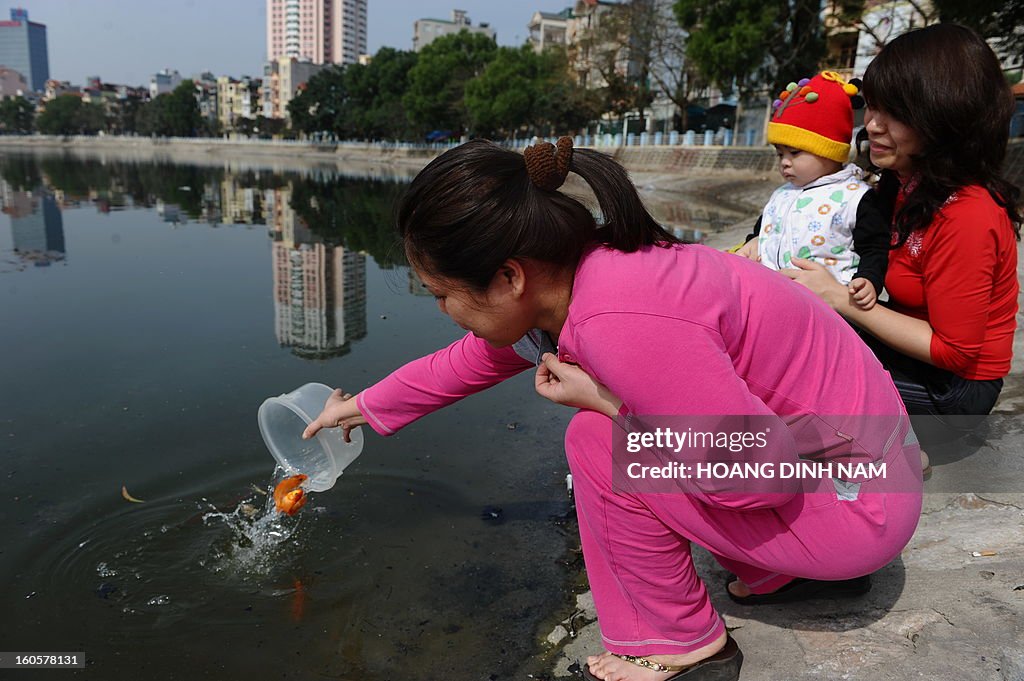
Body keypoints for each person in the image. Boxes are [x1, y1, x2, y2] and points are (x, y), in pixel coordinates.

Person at [301, 136, 923, 681]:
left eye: (443, 295)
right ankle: (779, 574)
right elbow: (466, 362)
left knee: (597, 444)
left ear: (510, 278)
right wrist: (358, 409)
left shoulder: (620, 320)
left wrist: (608, 402)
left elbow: (755, 475)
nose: (443, 311)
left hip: (857, 505)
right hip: (859, 476)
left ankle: (684, 643)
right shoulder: (588, 272)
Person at [782, 24, 1021, 446]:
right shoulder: (901, 186)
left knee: (793, 375)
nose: (872, 125)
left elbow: (956, 352)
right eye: (871, 106)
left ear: (944, 117)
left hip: (953, 395)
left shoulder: (967, 214)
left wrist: (840, 300)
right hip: (912, 361)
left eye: (895, 112)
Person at [736, 71, 889, 310]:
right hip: (774, 297)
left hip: (828, 309)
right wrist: (753, 241)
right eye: (780, 154)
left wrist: (869, 279)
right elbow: (764, 228)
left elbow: (874, 247)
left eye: (794, 153)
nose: (785, 162)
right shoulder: (783, 194)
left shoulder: (855, 197)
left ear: (829, 151)